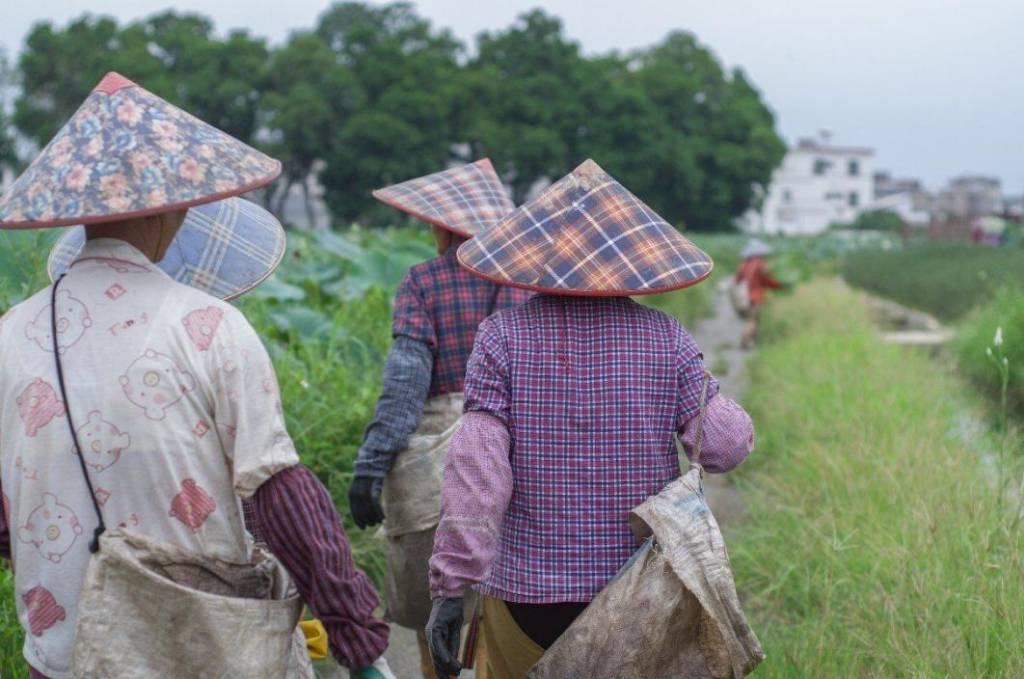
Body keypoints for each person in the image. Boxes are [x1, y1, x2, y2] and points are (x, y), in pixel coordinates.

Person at [0, 72, 391, 678]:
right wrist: (356, 636)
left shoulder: (9, 334)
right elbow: (279, 494)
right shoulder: (209, 325)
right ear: (175, 207)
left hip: (66, 654)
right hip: (200, 650)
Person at [424, 160, 756, 678]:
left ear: (537, 257)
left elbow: (477, 479)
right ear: (630, 262)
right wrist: (702, 389)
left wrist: (450, 588)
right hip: (640, 595)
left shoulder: (501, 337)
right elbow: (726, 447)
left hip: (528, 598)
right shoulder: (665, 338)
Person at [348, 159, 530, 678]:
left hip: (438, 476)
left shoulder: (424, 283)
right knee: (502, 620)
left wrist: (371, 463)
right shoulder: (529, 286)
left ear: (443, 227)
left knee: (438, 624)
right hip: (517, 461)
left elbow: (406, 384)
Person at [735, 238, 782, 349]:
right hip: (756, 296)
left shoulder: (744, 264)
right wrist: (779, 285)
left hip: (744, 297)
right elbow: (767, 280)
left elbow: (737, 280)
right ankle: (745, 340)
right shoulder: (761, 264)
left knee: (751, 319)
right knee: (753, 320)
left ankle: (753, 341)